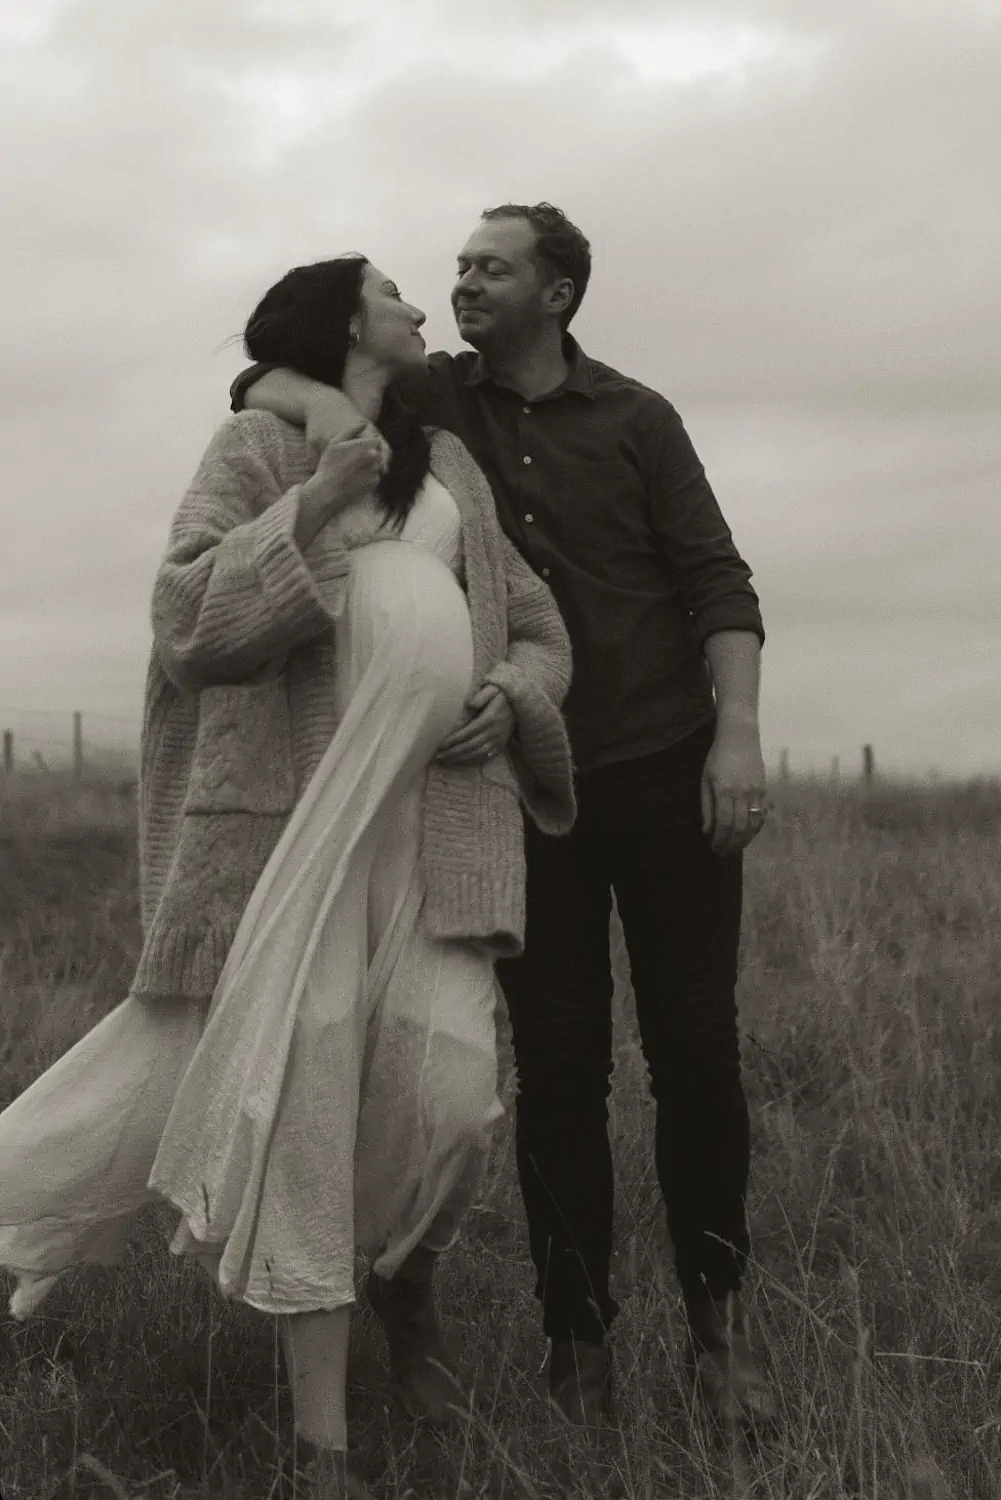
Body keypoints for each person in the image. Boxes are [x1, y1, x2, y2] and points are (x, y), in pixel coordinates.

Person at [0, 254, 574, 1499]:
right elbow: (188, 619)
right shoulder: (259, 449)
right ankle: (324, 1449)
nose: (422, 309)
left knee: (455, 1095)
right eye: (395, 295)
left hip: (431, 828)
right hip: (293, 832)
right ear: (341, 323)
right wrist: (315, 499)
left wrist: (514, 692)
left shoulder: (451, 465)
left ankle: (398, 1278)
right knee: (303, 1111)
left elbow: (534, 621)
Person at [234, 204, 776, 1429]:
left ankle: (721, 1332)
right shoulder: (440, 404)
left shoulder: (641, 419)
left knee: (695, 1055)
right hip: (532, 794)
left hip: (667, 766)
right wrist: (314, 404)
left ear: (561, 293)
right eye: (458, 267)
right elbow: (271, 369)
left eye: (493, 267)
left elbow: (717, 582)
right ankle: (577, 1348)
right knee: (563, 1073)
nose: (463, 282)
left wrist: (737, 732)